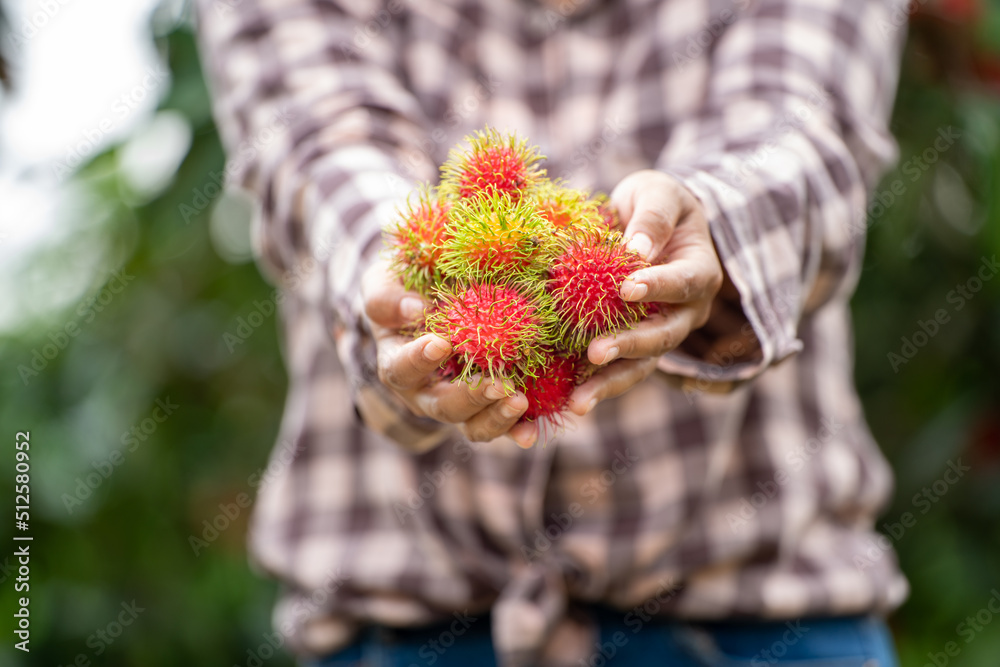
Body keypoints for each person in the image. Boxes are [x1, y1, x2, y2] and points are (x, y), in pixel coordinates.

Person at [194, 0, 909, 664]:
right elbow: (316, 139)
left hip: (766, 617)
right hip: (405, 625)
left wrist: (710, 224)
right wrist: (395, 285)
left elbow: (801, 122)